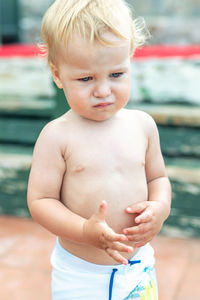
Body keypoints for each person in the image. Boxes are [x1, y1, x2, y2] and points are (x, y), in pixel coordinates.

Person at [27, 0, 171, 299]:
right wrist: (84, 231)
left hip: (138, 267)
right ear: (58, 75)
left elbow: (158, 179)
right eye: (86, 78)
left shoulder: (143, 126)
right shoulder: (57, 136)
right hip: (82, 275)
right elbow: (41, 201)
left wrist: (160, 207)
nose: (103, 90)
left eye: (116, 74)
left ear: (130, 60)